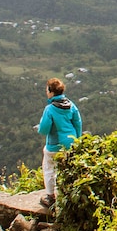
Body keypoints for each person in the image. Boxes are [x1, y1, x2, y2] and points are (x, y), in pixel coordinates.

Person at [37, 77, 82, 207]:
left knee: (49, 168)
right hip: (71, 143)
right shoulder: (71, 105)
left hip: (54, 145)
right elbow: (78, 124)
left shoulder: (50, 109)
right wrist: (76, 140)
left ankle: (51, 196)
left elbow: (44, 129)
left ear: (51, 92)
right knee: (67, 169)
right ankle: (67, 194)